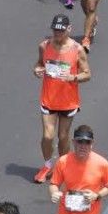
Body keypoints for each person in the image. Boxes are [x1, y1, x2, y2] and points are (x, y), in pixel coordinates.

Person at [33, 14, 91, 185]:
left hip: (68, 101)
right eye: (55, 30)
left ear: (69, 29)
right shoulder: (44, 46)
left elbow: (87, 74)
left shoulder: (77, 49)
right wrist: (37, 70)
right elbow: (38, 64)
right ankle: (47, 165)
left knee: (63, 137)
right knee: (47, 136)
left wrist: (72, 77)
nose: (57, 33)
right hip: (48, 99)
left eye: (61, 30)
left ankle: (63, 167)